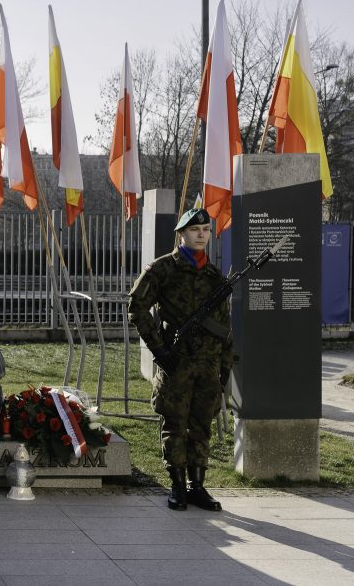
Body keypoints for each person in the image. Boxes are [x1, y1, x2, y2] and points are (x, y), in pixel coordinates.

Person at [129, 207, 231, 512]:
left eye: (206, 230)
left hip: (208, 365)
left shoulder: (215, 275)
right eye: (195, 230)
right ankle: (177, 486)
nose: (201, 235)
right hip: (177, 362)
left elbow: (225, 326)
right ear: (182, 234)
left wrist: (225, 367)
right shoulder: (162, 269)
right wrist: (160, 351)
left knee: (202, 426)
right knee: (174, 424)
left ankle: (197, 487)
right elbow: (136, 308)